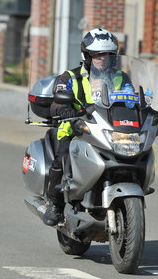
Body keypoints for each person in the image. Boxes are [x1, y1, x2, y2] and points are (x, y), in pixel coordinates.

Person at [43, 27, 130, 226]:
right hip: (77, 130)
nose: (103, 59)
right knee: (63, 159)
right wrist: (64, 110)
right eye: (98, 55)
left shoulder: (121, 78)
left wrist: (147, 110)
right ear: (87, 56)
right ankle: (55, 204)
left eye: (108, 55)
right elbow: (57, 102)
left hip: (109, 129)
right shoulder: (70, 78)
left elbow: (132, 99)